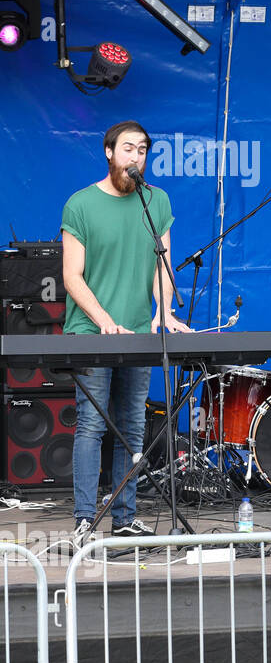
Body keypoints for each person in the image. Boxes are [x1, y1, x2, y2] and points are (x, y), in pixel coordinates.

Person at [62, 121, 192, 546]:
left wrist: (162, 312)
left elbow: (161, 265)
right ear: (108, 152)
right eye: (128, 148)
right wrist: (101, 317)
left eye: (142, 150)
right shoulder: (80, 204)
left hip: (138, 333)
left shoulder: (157, 201)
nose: (136, 157)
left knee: (132, 429)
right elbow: (71, 276)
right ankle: (85, 518)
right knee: (93, 427)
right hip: (90, 332)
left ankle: (124, 518)